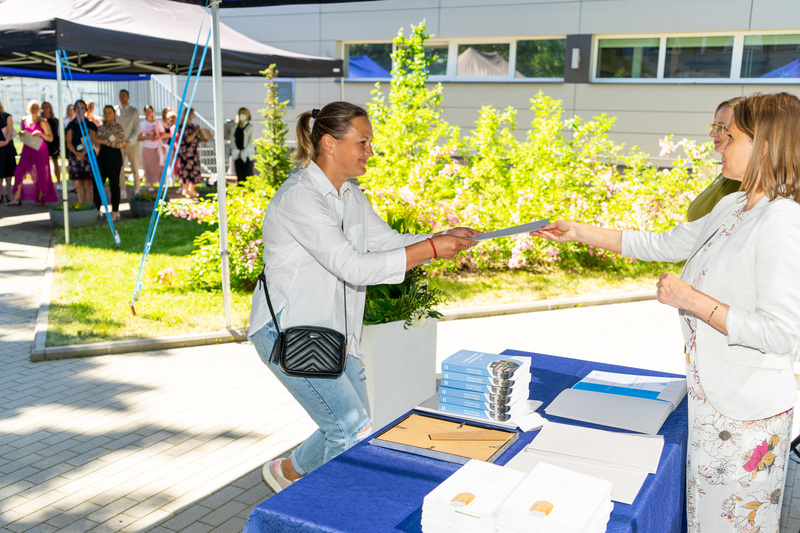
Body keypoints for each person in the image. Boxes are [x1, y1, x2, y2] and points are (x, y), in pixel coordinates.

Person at [531, 92, 800, 533]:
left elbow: (780, 333)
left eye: (731, 136)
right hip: (713, 402)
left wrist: (691, 300)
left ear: (765, 147)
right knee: (706, 520)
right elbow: (662, 244)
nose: (717, 142)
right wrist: (577, 231)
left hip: (745, 415)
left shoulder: (782, 220)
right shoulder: (734, 206)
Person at [249, 101, 479, 494]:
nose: (370, 151)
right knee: (351, 428)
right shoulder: (301, 198)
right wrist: (431, 249)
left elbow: (388, 242)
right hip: (289, 331)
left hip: (332, 331)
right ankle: (331, 513)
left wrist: (441, 238)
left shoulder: (351, 196)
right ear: (330, 143)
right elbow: (352, 266)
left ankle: (288, 472)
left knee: (351, 421)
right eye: (363, 142)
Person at [686, 97, 743, 222]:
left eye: (722, 127)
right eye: (714, 126)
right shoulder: (728, 170)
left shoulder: (741, 178)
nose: (712, 133)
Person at [8, 100, 55, 206]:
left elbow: (50, 138)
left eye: (35, 108)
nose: (33, 110)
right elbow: (23, 133)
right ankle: (17, 198)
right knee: (19, 172)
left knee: (41, 173)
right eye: (32, 108)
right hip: (27, 149)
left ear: (38, 110)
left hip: (40, 150)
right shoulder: (24, 119)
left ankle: (40, 198)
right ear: (28, 109)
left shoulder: (42, 121)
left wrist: (40, 133)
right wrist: (21, 133)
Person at [93, 105, 126, 221]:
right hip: (102, 156)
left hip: (114, 157)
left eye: (109, 112)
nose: (107, 115)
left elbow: (120, 143)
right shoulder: (101, 127)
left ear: (114, 114)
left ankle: (115, 211)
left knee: (114, 185)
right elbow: (96, 141)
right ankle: (97, 209)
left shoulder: (118, 127)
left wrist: (103, 141)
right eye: (105, 112)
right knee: (98, 183)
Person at [65, 99, 98, 206]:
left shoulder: (90, 125)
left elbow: (92, 140)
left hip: (87, 155)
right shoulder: (71, 125)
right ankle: (82, 205)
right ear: (74, 110)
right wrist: (76, 153)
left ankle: (89, 205)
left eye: (82, 108)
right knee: (79, 183)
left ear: (85, 110)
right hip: (75, 156)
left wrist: (83, 153)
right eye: (77, 108)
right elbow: (68, 142)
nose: (80, 110)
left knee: (88, 182)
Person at [116, 89, 140, 200]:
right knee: (120, 168)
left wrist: (129, 141)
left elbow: (137, 129)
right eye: (120, 95)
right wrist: (119, 141)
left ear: (128, 97)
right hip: (119, 145)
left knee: (135, 167)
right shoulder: (116, 111)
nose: (122, 97)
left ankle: (137, 189)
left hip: (132, 144)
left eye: (124, 95)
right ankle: (122, 190)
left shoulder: (134, 111)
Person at [176, 108, 203, 199]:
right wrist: (196, 131)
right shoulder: (183, 126)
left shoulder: (192, 126)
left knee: (194, 170)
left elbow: (194, 138)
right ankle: (185, 190)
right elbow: (188, 139)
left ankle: (192, 189)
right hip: (185, 153)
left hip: (193, 152)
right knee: (185, 171)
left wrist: (202, 139)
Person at [138, 105, 166, 191]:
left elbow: (163, 134)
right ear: (144, 112)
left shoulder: (158, 123)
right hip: (147, 147)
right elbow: (139, 137)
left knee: (159, 166)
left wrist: (157, 137)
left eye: (150, 111)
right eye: (147, 111)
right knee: (149, 167)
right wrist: (148, 137)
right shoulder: (142, 124)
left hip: (157, 148)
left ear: (152, 112)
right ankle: (151, 184)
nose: (148, 113)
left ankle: (161, 184)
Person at [231, 107, 255, 184]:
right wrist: (237, 152)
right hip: (237, 154)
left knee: (247, 175)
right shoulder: (235, 127)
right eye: (240, 113)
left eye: (243, 113)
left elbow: (251, 142)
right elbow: (232, 140)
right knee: (239, 176)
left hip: (246, 155)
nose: (241, 115)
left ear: (247, 115)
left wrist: (243, 153)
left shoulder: (250, 127)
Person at [40, 101, 61, 185]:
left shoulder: (55, 121)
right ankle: (46, 182)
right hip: (43, 144)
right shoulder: (40, 120)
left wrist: (57, 146)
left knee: (56, 162)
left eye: (47, 107)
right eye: (44, 107)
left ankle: (59, 182)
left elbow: (57, 134)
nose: (45, 108)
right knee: (44, 164)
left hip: (53, 143)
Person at [0, 100, 16, 204]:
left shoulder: (7, 116)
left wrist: (6, 142)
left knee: (9, 173)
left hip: (7, 147)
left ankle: (9, 195)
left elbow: (10, 130)